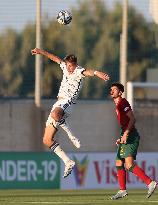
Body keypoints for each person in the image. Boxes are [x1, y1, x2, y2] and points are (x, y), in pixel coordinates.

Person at [31, 48, 110, 178]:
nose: (70, 68)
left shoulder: (79, 71)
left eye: (72, 66)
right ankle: (68, 161)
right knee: (47, 140)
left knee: (55, 115)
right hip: (58, 103)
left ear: (75, 65)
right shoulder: (64, 66)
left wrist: (97, 73)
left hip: (68, 103)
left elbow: (87, 72)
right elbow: (55, 58)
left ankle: (71, 135)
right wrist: (41, 51)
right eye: (68, 66)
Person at [110, 82, 157, 199]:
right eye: (111, 89)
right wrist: (121, 137)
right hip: (125, 134)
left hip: (131, 135)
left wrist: (125, 134)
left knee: (129, 165)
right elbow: (125, 123)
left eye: (114, 90)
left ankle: (150, 183)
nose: (111, 91)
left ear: (120, 92)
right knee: (118, 162)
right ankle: (122, 190)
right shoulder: (117, 104)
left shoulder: (123, 102)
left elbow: (132, 119)